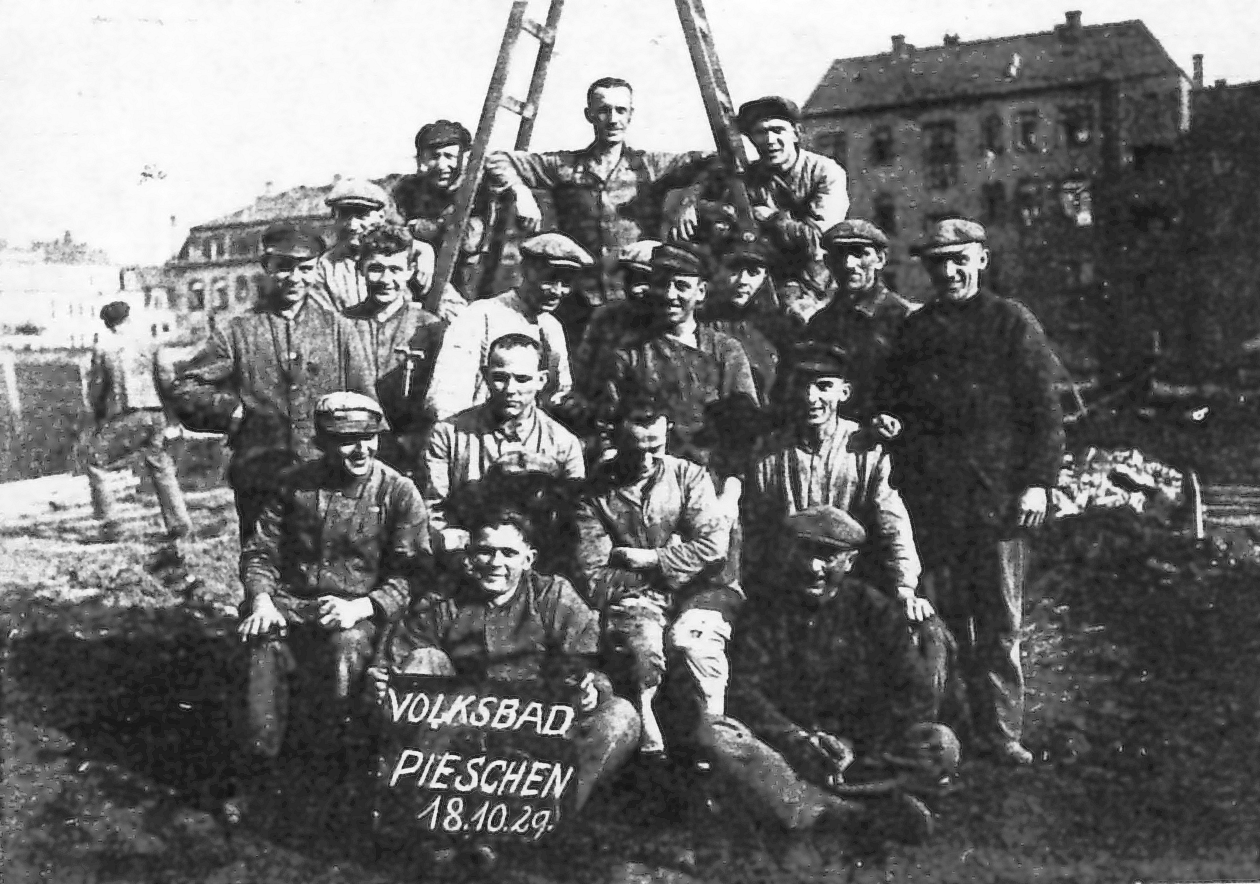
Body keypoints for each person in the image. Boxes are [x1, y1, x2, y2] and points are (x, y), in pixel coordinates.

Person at [879, 218, 1065, 765]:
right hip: (935, 502)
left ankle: (1001, 732)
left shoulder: (1011, 322)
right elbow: (897, 403)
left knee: (1000, 623)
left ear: (982, 259)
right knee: (945, 619)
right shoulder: (917, 330)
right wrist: (890, 423)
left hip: (998, 502)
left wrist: (1038, 484)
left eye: (959, 260)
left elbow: (1044, 412)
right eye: (938, 263)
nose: (949, 271)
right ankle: (955, 726)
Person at [699, 505, 951, 843]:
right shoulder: (764, 609)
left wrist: (855, 743)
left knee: (940, 743)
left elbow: (914, 692)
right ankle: (847, 809)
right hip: (789, 752)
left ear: (850, 561)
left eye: (828, 556)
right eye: (804, 552)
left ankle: (818, 804)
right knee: (718, 736)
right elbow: (744, 691)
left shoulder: (874, 609)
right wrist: (798, 739)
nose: (813, 567)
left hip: (862, 754)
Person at [370, 505, 642, 814]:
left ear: (528, 559)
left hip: (536, 735)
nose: (495, 563)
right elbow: (397, 662)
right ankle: (420, 805)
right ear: (469, 556)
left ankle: (545, 813)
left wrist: (592, 690)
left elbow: (591, 666)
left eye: (508, 553)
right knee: (423, 661)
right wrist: (383, 684)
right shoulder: (443, 601)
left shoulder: (553, 596)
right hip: (459, 734)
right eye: (484, 552)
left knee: (621, 716)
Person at [236, 393, 430, 782]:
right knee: (262, 645)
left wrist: (362, 607)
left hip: (363, 613)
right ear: (322, 442)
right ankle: (262, 768)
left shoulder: (398, 492)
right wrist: (261, 600)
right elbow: (261, 552)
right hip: (293, 604)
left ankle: (339, 764)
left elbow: (415, 573)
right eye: (346, 440)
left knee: (347, 647)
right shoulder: (293, 485)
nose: (361, 449)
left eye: (369, 437)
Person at [170, 221, 375, 542]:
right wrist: (232, 412)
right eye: (284, 267)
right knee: (263, 562)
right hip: (260, 476)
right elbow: (185, 389)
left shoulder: (339, 330)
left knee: (327, 562)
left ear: (317, 269)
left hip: (327, 475)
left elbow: (366, 404)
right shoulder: (238, 331)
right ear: (266, 267)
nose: (295, 278)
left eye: (305, 269)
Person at [575, 392, 737, 758]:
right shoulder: (594, 496)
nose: (646, 461)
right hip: (635, 598)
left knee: (697, 647)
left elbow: (714, 548)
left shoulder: (688, 476)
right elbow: (594, 577)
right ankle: (651, 745)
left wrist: (645, 558)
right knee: (643, 648)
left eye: (655, 448)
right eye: (635, 450)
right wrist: (677, 560)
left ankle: (715, 742)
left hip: (698, 595)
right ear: (614, 440)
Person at [486, 77, 709, 321]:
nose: (613, 119)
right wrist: (520, 191)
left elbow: (713, 162)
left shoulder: (651, 166)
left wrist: (690, 201)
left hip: (637, 294)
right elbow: (497, 159)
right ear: (589, 115)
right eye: (604, 110)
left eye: (621, 110)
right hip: (577, 296)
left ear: (631, 115)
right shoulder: (565, 166)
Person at [745, 343, 927, 620]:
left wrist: (905, 588)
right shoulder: (768, 454)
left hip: (851, 584)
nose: (811, 398)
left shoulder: (866, 451)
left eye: (824, 386)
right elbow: (755, 531)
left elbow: (892, 524)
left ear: (844, 392)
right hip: (789, 585)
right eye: (802, 385)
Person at [596, 242, 759, 477]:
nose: (670, 295)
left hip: (710, 474)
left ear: (701, 292)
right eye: (662, 284)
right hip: (644, 473)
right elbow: (607, 424)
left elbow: (744, 427)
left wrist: (732, 484)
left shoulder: (725, 351)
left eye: (681, 286)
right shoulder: (630, 353)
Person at [425, 334, 585, 552]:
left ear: (541, 380)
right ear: (485, 376)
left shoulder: (563, 443)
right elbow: (432, 509)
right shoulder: (449, 434)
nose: (510, 389)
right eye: (500, 377)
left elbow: (576, 516)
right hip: (468, 552)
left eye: (522, 379)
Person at [676, 96, 848, 289]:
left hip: (814, 279)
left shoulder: (825, 172)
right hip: (764, 276)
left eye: (777, 130)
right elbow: (714, 182)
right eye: (760, 132)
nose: (769, 140)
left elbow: (819, 242)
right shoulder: (753, 175)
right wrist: (691, 203)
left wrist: (772, 219)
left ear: (796, 133)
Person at [425, 232, 589, 421]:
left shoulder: (552, 328)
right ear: (526, 270)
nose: (557, 291)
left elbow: (557, 394)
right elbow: (447, 396)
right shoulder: (480, 316)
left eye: (566, 283)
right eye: (549, 279)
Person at [84, 300, 192, 542]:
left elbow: (97, 388)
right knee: (160, 464)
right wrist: (173, 415)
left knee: (94, 460)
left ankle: (110, 524)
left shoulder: (104, 347)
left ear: (107, 323)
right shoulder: (151, 342)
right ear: (129, 317)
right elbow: (167, 379)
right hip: (155, 414)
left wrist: (99, 417)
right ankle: (179, 524)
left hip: (127, 415)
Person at [343, 224, 446, 475]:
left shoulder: (430, 329)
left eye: (395, 270)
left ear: (410, 270)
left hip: (409, 454)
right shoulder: (341, 325)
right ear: (360, 269)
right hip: (352, 448)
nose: (385, 280)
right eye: (376, 269)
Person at [805, 219, 915, 422]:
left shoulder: (903, 318)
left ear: (880, 259)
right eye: (840, 254)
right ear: (828, 262)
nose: (849, 264)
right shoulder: (820, 323)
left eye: (859, 253)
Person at [392, 119, 495, 298]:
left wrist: (426, 228)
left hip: (466, 286)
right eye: (434, 157)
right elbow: (390, 230)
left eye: (449, 156)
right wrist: (421, 246)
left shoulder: (478, 191)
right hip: (416, 282)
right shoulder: (408, 188)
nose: (441, 165)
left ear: (465, 158)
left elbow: (469, 240)